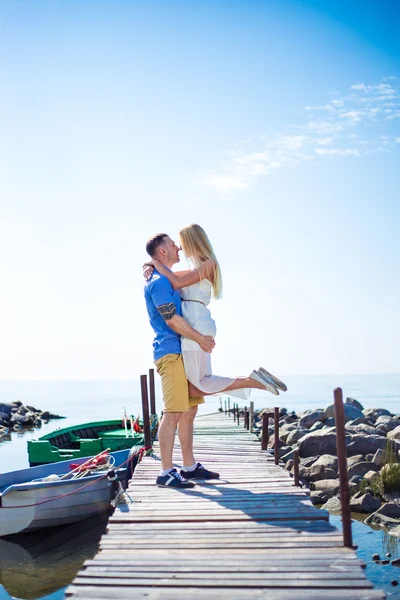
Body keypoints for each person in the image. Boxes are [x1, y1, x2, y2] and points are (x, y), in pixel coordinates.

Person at [144, 224, 287, 401]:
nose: (179, 248)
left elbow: (174, 281)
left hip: (195, 324)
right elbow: (167, 275)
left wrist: (155, 263)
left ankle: (254, 381)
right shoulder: (198, 267)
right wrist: (148, 265)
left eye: (181, 243)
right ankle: (255, 380)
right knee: (196, 387)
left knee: (198, 386)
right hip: (198, 323)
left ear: (191, 242)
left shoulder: (208, 265)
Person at [144, 233, 221, 489]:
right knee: (174, 411)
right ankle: (166, 471)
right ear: (163, 252)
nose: (178, 247)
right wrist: (200, 339)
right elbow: (171, 319)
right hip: (170, 353)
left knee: (189, 410)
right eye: (173, 245)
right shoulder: (158, 283)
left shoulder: (166, 278)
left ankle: (189, 466)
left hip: (182, 350)